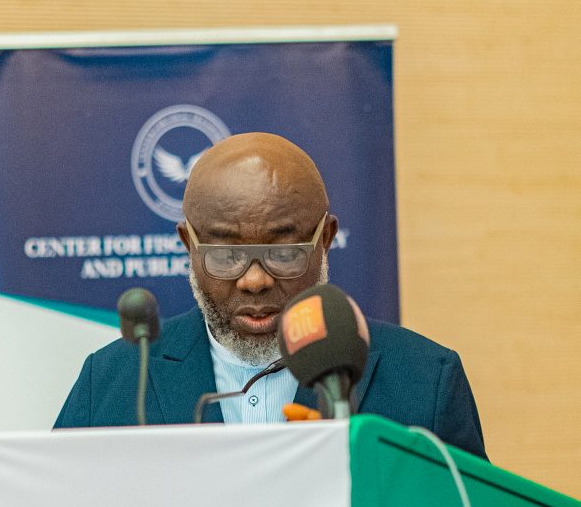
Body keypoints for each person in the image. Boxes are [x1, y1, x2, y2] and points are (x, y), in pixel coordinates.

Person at [55, 133, 486, 458]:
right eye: (226, 255)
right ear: (189, 245)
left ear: (325, 239)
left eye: (283, 253)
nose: (255, 280)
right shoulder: (112, 381)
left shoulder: (426, 381)